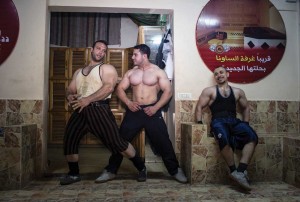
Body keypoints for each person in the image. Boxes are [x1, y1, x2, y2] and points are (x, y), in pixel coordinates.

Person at [95, 44, 187, 183]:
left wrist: (156, 107)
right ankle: (111, 170)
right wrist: (128, 102)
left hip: (152, 111)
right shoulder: (131, 72)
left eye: (135, 54)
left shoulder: (158, 72)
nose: (132, 57)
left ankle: (175, 170)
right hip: (134, 111)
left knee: (163, 142)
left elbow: (168, 91)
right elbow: (119, 89)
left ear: (144, 55)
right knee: (120, 142)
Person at [60, 40, 145, 185]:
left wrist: (88, 99)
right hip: (80, 110)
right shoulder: (78, 72)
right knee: (69, 140)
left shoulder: (107, 68)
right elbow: (71, 89)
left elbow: (108, 88)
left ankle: (141, 167)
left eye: (104, 50)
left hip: (99, 109)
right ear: (91, 49)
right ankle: (73, 174)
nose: (101, 52)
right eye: (98, 48)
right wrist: (70, 95)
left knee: (118, 144)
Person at [195, 66, 258, 191]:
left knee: (253, 137)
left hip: (234, 121)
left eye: (221, 72)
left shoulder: (238, 92)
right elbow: (199, 107)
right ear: (215, 77)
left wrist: (245, 124)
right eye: (216, 73)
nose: (219, 75)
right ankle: (233, 170)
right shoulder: (209, 91)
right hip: (218, 122)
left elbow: (246, 108)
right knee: (224, 138)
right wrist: (200, 125)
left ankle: (240, 171)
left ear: (227, 74)